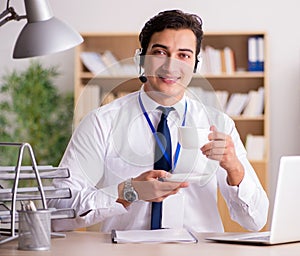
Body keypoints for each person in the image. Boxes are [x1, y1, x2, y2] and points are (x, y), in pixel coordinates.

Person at [49, 9, 269, 232]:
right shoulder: (100, 122)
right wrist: (129, 190)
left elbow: (256, 221)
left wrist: (234, 168)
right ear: (141, 59)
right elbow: (56, 212)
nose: (171, 66)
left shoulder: (219, 124)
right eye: (160, 52)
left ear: (195, 65)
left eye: (184, 55)